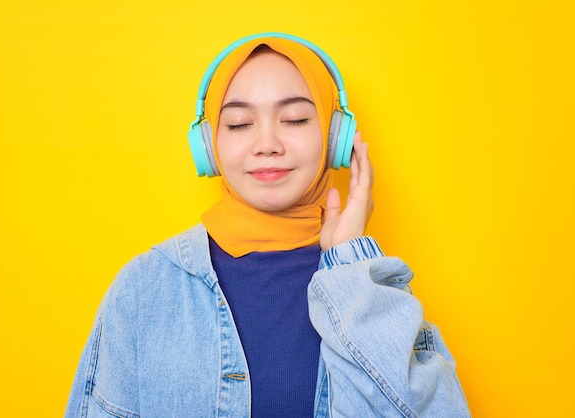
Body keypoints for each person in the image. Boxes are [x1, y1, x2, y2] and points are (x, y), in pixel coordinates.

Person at [65, 32, 470, 417]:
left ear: (335, 138)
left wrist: (349, 265)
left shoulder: (367, 290)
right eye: (239, 124)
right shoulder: (145, 288)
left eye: (294, 119)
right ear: (209, 146)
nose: (267, 144)